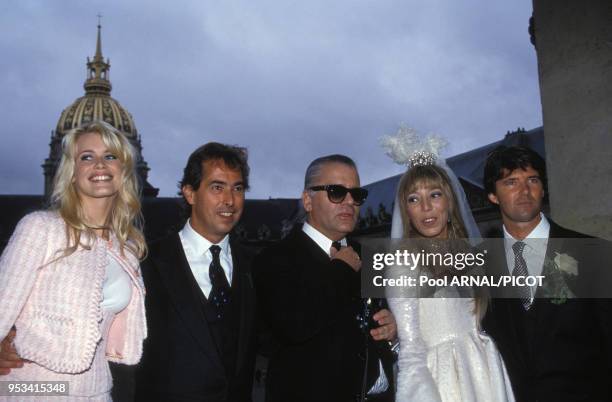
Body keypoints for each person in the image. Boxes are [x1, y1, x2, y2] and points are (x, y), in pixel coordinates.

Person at [0, 120, 147, 400]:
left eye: (111, 156)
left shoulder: (128, 249)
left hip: (98, 391)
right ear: (71, 172)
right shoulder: (40, 228)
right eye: (87, 157)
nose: (100, 165)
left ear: (124, 171)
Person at [381, 127, 514, 402]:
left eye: (435, 195)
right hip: (442, 380)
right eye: (414, 199)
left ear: (449, 202)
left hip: (485, 371)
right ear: (405, 210)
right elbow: (411, 351)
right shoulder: (403, 264)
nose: (426, 207)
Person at [253, 154, 397, 402]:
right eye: (337, 192)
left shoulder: (366, 255)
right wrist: (340, 270)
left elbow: (371, 328)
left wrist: (391, 330)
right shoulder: (274, 258)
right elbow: (294, 326)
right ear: (308, 200)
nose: (350, 202)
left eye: (357, 194)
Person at [482, 145, 612, 402]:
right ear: (492, 196)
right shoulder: (479, 264)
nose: (524, 191)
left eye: (532, 179)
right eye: (510, 182)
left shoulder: (594, 253)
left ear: (543, 188)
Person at [134, 142, 257, 402]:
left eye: (238, 188)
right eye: (217, 187)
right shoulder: (145, 263)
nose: (230, 200)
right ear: (189, 193)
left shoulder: (255, 266)